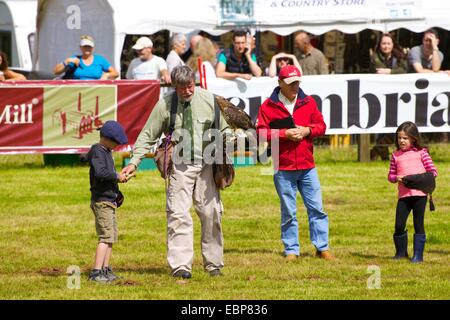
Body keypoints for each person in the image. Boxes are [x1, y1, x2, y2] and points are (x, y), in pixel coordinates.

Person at [121, 66, 230, 279]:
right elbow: (147, 135)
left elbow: (225, 130)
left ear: (194, 82)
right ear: (174, 86)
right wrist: (134, 162)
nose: (187, 91)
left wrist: (228, 143)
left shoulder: (209, 100)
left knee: (212, 214)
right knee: (178, 214)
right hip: (179, 166)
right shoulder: (164, 105)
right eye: (182, 88)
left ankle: (214, 264)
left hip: (208, 164)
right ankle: (181, 266)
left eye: (190, 86)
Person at [256, 65, 334, 261]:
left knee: (317, 208)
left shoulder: (309, 102)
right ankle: (291, 250)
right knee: (289, 211)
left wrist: (307, 131)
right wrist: (284, 134)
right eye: (290, 83)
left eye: (297, 82)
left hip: (308, 166)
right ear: (279, 83)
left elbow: (321, 126)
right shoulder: (267, 106)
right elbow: (260, 133)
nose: (295, 86)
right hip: (283, 167)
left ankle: (322, 247)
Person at [387, 121, 438, 263]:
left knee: (418, 224)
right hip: (404, 196)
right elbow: (390, 176)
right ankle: (401, 252)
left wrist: (418, 179)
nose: (402, 141)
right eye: (399, 138)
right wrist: (395, 178)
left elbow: (433, 171)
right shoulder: (395, 156)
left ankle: (418, 256)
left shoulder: (422, 153)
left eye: (405, 138)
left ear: (413, 139)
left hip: (420, 196)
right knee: (398, 225)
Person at [87, 120, 129, 282]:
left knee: (111, 237)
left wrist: (117, 192)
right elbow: (100, 172)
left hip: (109, 200)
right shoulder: (98, 151)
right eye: (115, 142)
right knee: (105, 237)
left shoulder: (106, 151)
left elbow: (107, 175)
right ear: (105, 138)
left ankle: (105, 269)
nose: (117, 145)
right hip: (102, 201)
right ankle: (96, 272)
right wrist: (117, 176)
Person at [53, 35, 118, 80]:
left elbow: (116, 73)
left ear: (93, 47)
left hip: (96, 92)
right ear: (80, 47)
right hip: (76, 91)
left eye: (89, 46)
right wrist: (67, 60)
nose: (87, 48)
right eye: (85, 46)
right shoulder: (75, 59)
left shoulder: (100, 60)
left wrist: (106, 75)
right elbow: (56, 72)